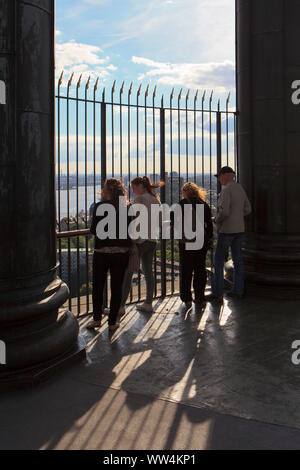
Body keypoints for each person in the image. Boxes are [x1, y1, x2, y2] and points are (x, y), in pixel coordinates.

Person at [87, 178, 132, 332]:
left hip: (102, 252)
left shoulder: (100, 206)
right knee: (117, 287)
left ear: (107, 190)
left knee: (98, 286)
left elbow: (94, 230)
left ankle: (97, 319)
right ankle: (112, 322)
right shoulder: (126, 207)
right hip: (121, 253)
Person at [120, 176, 165, 313]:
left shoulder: (140, 199)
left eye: (134, 187)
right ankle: (148, 303)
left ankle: (120, 306)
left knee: (128, 273)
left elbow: (132, 219)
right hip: (152, 239)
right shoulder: (155, 200)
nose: (133, 190)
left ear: (141, 186)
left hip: (140, 240)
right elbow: (159, 220)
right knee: (148, 272)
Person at [207, 166, 252, 302]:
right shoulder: (240, 188)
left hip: (227, 230)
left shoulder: (226, 191)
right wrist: (237, 216)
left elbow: (224, 212)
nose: (219, 179)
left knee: (218, 261)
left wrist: (216, 220)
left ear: (226, 176)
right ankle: (238, 290)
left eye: (220, 176)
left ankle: (217, 293)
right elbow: (248, 209)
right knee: (238, 260)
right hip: (239, 229)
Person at [175, 182, 213, 310]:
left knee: (186, 270)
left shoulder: (182, 204)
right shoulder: (204, 205)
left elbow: (173, 219)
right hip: (201, 241)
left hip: (186, 241)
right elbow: (209, 224)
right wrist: (210, 237)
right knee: (199, 269)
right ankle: (199, 296)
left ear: (185, 192)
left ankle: (186, 298)